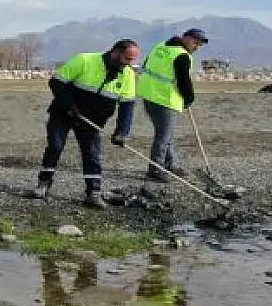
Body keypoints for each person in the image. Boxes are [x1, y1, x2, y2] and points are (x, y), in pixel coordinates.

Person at [31, 40, 140, 207]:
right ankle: (43, 185)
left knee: (92, 154)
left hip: (93, 121)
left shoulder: (128, 75)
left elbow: (127, 107)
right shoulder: (84, 60)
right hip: (63, 113)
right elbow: (56, 82)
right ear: (115, 52)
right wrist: (69, 106)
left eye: (131, 60)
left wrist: (121, 132)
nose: (128, 63)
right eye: (126, 59)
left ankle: (93, 193)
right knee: (55, 146)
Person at [135, 27, 208, 183]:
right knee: (163, 136)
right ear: (186, 38)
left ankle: (169, 164)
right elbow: (184, 81)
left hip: (148, 95)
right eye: (195, 42)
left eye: (199, 45)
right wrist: (189, 98)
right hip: (164, 99)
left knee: (165, 134)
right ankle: (155, 169)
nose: (196, 47)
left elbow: (147, 64)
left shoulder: (160, 46)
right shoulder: (182, 56)